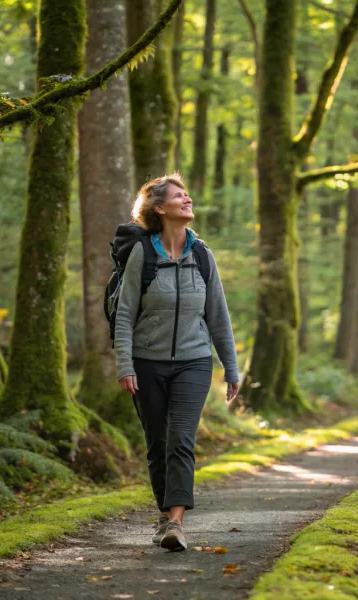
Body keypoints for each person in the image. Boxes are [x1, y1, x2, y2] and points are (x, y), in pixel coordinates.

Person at [114, 172, 240, 552]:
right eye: (179, 196)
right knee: (157, 443)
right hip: (146, 362)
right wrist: (125, 364)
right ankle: (164, 515)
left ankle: (176, 524)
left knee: (180, 441)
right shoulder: (143, 254)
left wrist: (231, 368)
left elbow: (218, 315)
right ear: (158, 208)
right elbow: (124, 313)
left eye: (188, 194)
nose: (188, 200)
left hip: (194, 361)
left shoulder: (202, 255)